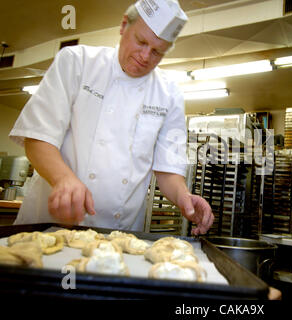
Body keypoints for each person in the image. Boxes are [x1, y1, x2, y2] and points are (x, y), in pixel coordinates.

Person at [9, 0, 214, 235]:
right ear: (124, 25)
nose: (146, 56)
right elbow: (37, 138)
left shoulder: (169, 93)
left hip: (117, 234)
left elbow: (168, 169)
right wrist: (63, 178)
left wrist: (183, 197)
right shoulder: (77, 62)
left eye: (158, 51)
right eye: (141, 42)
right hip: (50, 223)